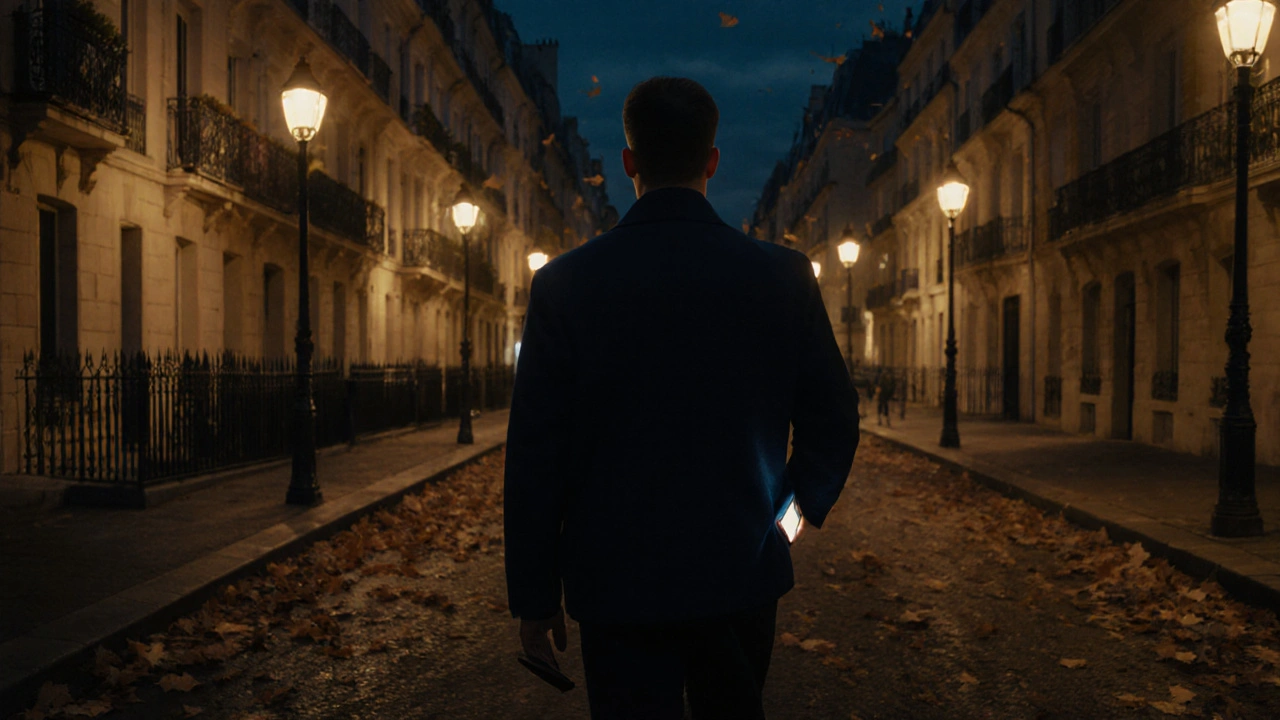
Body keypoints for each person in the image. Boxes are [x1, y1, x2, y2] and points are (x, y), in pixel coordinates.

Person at [504, 77, 859, 720]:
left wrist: (535, 594)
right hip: (741, 566)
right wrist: (790, 518)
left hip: (615, 579)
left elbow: (536, 455)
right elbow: (833, 418)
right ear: (712, 160)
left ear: (630, 162)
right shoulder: (782, 277)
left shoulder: (565, 285)